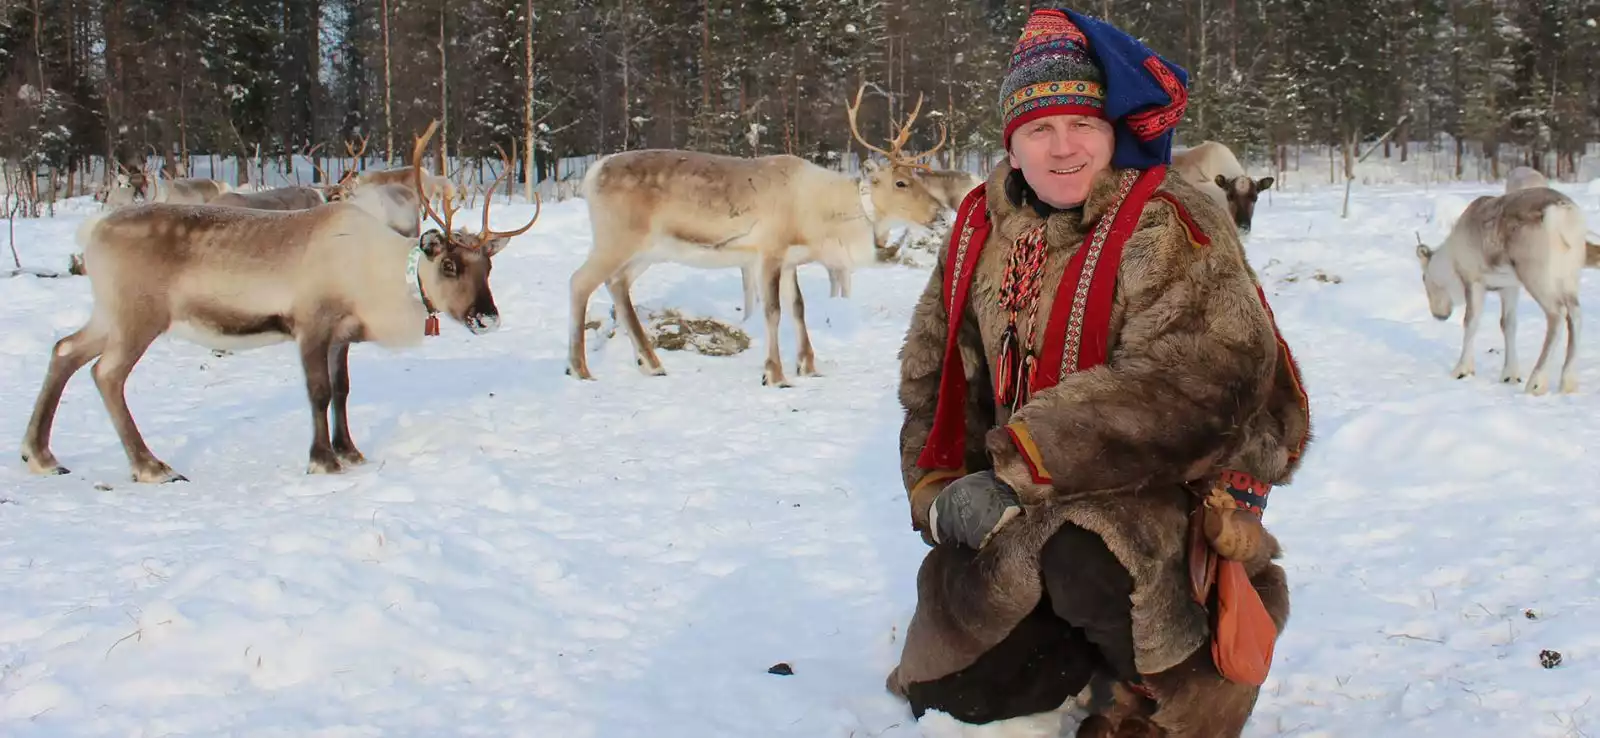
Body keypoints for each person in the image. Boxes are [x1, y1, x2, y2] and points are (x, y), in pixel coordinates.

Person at [883, 6, 1312, 737]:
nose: (1063, 148)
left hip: (1163, 493)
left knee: (1089, 550)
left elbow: (1200, 380)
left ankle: (1167, 693)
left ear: (1112, 132)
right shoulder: (980, 229)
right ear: (1011, 146)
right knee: (963, 695)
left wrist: (1022, 463)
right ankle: (1068, 647)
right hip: (1018, 501)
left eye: (1082, 125)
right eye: (1039, 129)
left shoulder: (1172, 220)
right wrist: (940, 488)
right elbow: (937, 374)